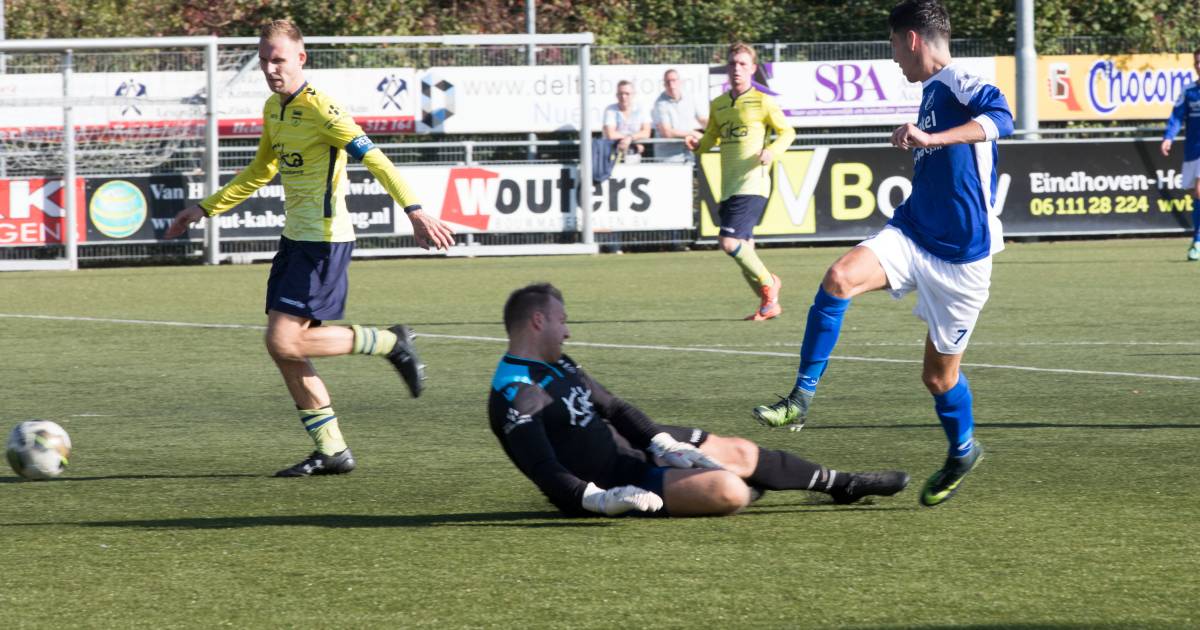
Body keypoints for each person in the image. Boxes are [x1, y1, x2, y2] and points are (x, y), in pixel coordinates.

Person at [164, 19, 456, 477]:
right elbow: (261, 171)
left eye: (278, 59)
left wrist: (415, 210)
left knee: (282, 339)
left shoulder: (325, 111)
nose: (270, 68)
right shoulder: (273, 109)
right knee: (284, 349)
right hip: (293, 241)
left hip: (323, 242)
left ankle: (392, 342)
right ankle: (332, 450)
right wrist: (205, 208)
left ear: (301, 58)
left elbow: (375, 158)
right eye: (263, 59)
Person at [752, 0, 1012, 509]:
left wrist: (931, 137)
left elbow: (1001, 117)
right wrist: (919, 140)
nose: (894, 57)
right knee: (838, 278)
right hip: (913, 233)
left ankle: (963, 450)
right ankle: (800, 398)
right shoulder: (931, 91)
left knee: (939, 377)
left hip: (963, 260)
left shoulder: (960, 79)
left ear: (912, 39)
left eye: (894, 45)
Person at [488, 283, 909, 517]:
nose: (567, 332)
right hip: (614, 482)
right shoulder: (512, 392)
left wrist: (660, 442)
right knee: (728, 491)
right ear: (538, 320)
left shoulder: (560, 364)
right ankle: (746, 487)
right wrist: (599, 499)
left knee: (741, 450)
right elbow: (543, 469)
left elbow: (614, 408)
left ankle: (843, 485)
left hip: (630, 446)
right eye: (562, 321)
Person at [687, 43, 795, 321]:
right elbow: (711, 138)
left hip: (753, 183)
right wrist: (697, 144)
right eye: (733, 64)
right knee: (745, 248)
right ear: (727, 68)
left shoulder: (763, 101)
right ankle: (768, 306)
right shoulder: (719, 105)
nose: (737, 69)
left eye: (743, 64)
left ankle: (770, 285)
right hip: (729, 185)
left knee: (728, 241)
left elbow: (787, 132)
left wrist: (772, 151)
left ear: (753, 69)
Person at [1160, 47, 1200, 261]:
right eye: (1197, 62)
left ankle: (1198, 240)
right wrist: (1169, 137)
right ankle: (1197, 240)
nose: (1199, 66)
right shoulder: (1189, 91)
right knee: (1196, 195)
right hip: (1194, 151)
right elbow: (1177, 116)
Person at [651, 69, 707, 162]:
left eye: (674, 80)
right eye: (668, 81)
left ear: (680, 82)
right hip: (668, 158)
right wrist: (693, 133)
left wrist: (717, 129)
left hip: (689, 154)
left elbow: (702, 119)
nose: (671, 85)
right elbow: (667, 132)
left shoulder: (690, 98)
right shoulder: (659, 104)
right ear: (664, 84)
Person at [603, 80, 652, 161]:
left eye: (627, 94)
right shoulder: (610, 110)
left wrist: (630, 138)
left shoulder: (642, 109)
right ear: (616, 95)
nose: (623, 97)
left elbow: (646, 132)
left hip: (634, 156)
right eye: (620, 93)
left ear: (633, 95)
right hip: (612, 156)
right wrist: (630, 139)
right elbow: (610, 134)